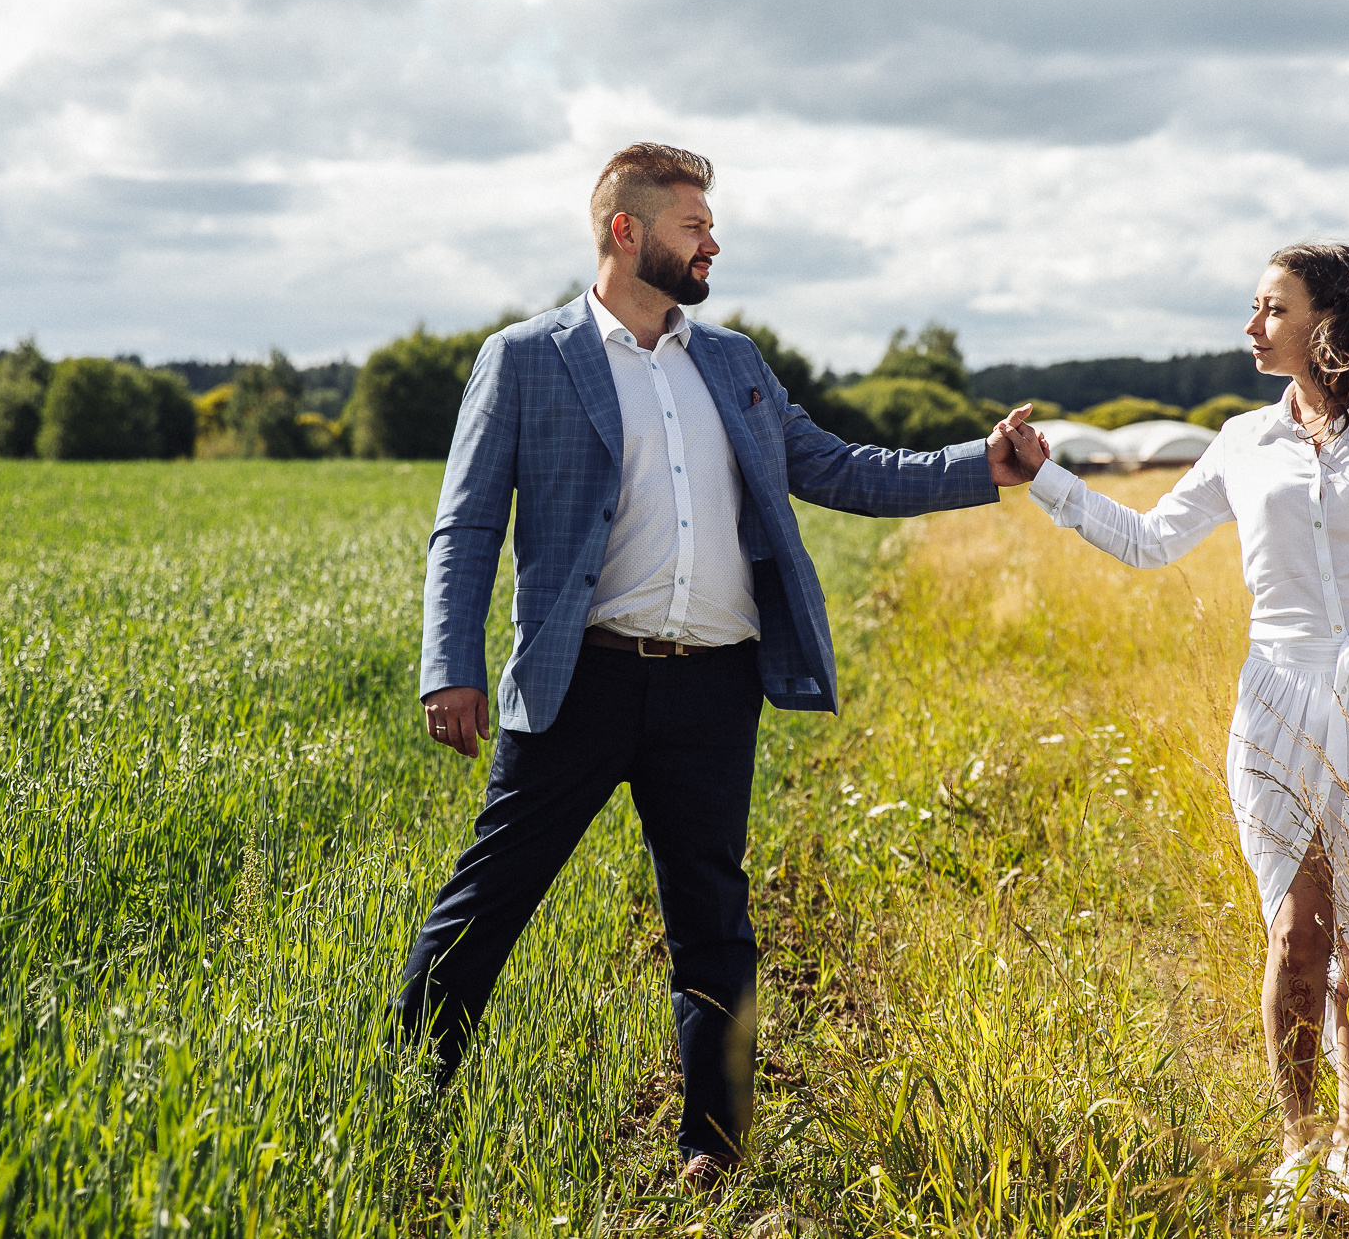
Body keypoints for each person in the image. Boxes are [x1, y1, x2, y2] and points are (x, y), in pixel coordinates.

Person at [395, 142, 1046, 1192]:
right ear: (626, 232)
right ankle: (406, 1096)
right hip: (579, 681)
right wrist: (449, 664)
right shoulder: (525, 358)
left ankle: (715, 1142)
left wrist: (979, 466)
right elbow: (465, 524)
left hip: (712, 683)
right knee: (488, 901)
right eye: (693, 226)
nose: (711, 243)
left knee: (712, 913)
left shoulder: (731, 361)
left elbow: (832, 465)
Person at [996, 243, 1349, 1214]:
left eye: (1267, 307)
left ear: (1326, 322)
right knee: (1294, 933)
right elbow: (1149, 542)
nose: (1248, 325)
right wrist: (1046, 481)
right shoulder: (1239, 439)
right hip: (1272, 703)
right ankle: (1296, 1144)